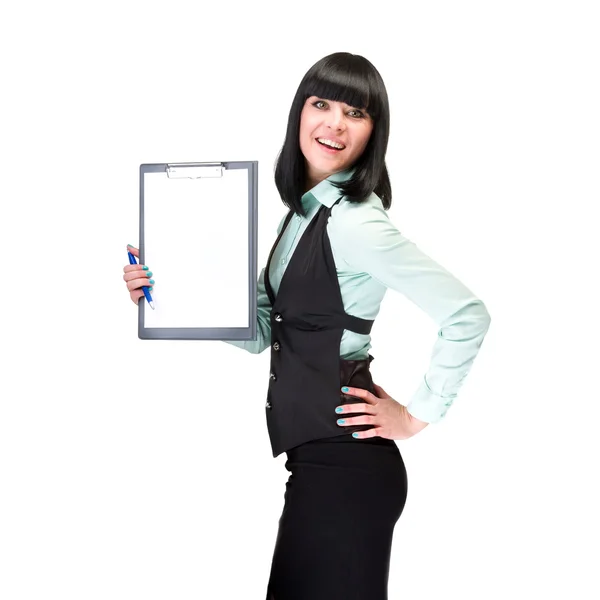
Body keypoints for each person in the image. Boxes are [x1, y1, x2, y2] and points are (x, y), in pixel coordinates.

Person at [123, 52, 491, 600]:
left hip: (350, 467)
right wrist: (166, 294)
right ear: (299, 113)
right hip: (315, 462)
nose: (335, 124)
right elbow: (265, 335)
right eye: (321, 104)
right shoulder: (299, 213)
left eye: (356, 112)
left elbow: (466, 314)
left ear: (373, 132)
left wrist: (416, 416)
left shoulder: (358, 223)